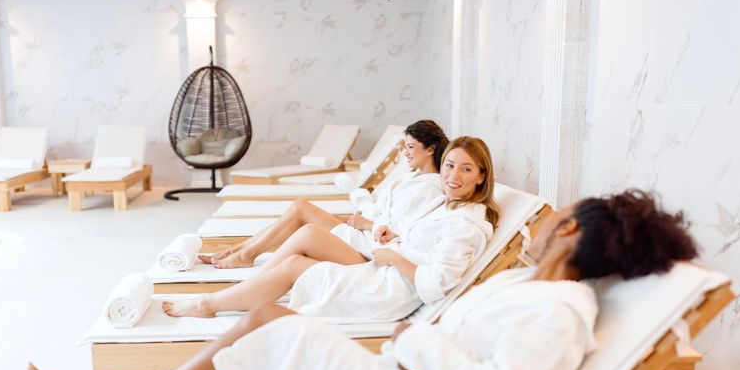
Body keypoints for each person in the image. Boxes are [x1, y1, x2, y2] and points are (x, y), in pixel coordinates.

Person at [30, 190, 698, 370]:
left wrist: (414, 340)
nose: (540, 225)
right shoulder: (529, 288)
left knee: (271, 322)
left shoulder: (561, 316)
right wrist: (418, 344)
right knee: (266, 361)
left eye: (554, 219)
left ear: (571, 230)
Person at [162, 136, 498, 322]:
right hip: (384, 263)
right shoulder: (448, 204)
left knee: (296, 260)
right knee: (303, 241)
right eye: (451, 166)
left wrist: (393, 257)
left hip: (390, 289)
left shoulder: (466, 225)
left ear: (481, 176)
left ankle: (211, 304)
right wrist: (393, 237)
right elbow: (417, 237)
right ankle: (230, 294)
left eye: (466, 169)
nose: (453, 176)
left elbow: (433, 285)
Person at [209, 120, 449, 269]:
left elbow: (403, 233)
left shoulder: (431, 188)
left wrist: (366, 223)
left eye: (410, 147)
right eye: (404, 147)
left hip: (367, 246)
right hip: (363, 232)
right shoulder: (413, 178)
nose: (405, 154)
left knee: (302, 209)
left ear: (430, 149)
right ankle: (241, 249)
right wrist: (357, 219)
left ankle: (246, 254)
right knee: (300, 207)